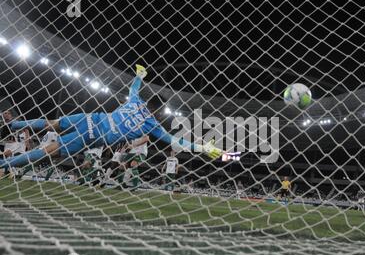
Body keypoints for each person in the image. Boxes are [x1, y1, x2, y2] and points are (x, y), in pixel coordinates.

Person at [0, 65, 222, 171]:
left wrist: (139, 76)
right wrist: (202, 148)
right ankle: (4, 164)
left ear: (147, 103)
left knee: (51, 123)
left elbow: (133, 88)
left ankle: (12, 123)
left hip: (91, 118)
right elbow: (176, 142)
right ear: (158, 111)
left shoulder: (136, 101)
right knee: (46, 152)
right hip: (93, 135)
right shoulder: (152, 124)